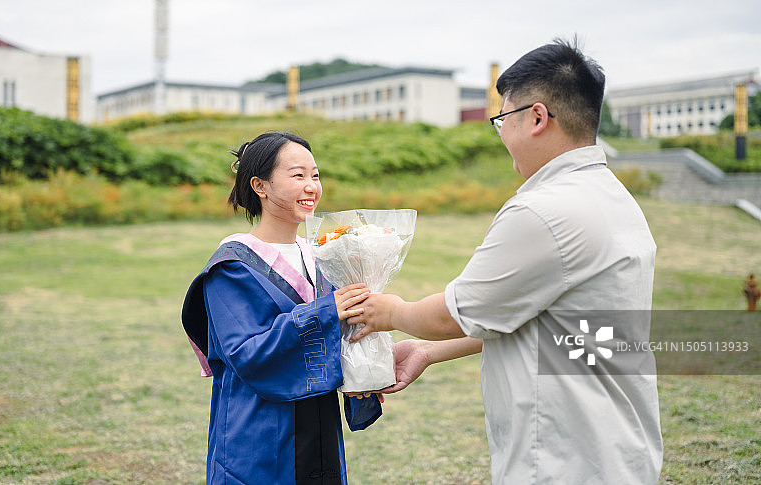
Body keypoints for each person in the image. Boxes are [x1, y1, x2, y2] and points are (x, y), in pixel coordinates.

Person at [348, 39, 664, 484]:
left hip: (565, 458)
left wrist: (390, 311)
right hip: (615, 447)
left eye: (502, 119)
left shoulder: (543, 212)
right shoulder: (611, 196)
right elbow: (531, 317)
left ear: (536, 117)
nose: (501, 135)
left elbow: (451, 315)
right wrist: (428, 351)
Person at [181, 131, 381, 485]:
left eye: (315, 175)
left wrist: (364, 368)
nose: (311, 186)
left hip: (318, 426)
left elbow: (336, 337)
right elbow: (247, 354)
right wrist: (326, 312)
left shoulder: (322, 258)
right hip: (259, 433)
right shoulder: (232, 267)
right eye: (298, 175)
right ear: (260, 186)